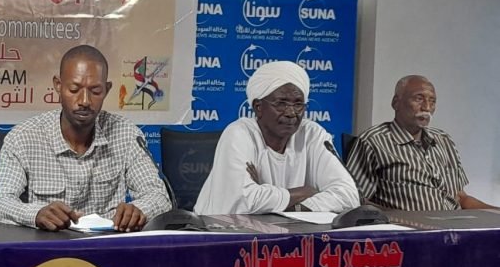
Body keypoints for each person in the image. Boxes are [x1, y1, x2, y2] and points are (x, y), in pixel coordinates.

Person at [0, 44, 171, 232]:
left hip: (107, 243)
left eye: (95, 91)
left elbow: (159, 197)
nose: (84, 101)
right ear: (58, 85)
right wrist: (35, 214)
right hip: (48, 245)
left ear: (107, 89)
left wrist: (138, 211)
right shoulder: (23, 137)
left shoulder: (127, 134)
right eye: (74, 89)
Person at [195, 61, 359, 215]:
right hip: (218, 229)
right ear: (258, 107)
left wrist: (293, 207)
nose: (291, 113)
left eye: (298, 104)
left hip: (289, 229)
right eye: (281, 103)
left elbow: (348, 195)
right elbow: (243, 201)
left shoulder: (312, 134)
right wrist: (302, 192)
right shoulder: (239, 134)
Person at [346, 75, 494, 211]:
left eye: (432, 101)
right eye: (419, 99)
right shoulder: (373, 141)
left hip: (455, 225)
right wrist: (397, 218)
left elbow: (460, 197)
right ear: (396, 103)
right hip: (408, 228)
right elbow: (356, 200)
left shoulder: (444, 140)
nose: (427, 108)